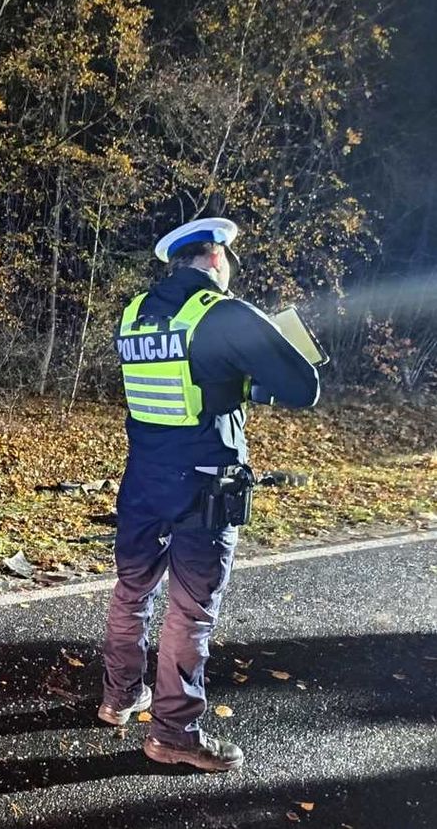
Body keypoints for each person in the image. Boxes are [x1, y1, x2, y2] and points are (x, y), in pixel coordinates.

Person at [97, 217, 320, 772]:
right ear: (216, 257)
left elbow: (187, 379)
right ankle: (173, 732)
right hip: (203, 485)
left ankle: (120, 696)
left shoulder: (135, 314)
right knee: (191, 612)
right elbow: (303, 388)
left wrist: (238, 379)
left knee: (132, 590)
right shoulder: (225, 313)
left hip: (144, 479)